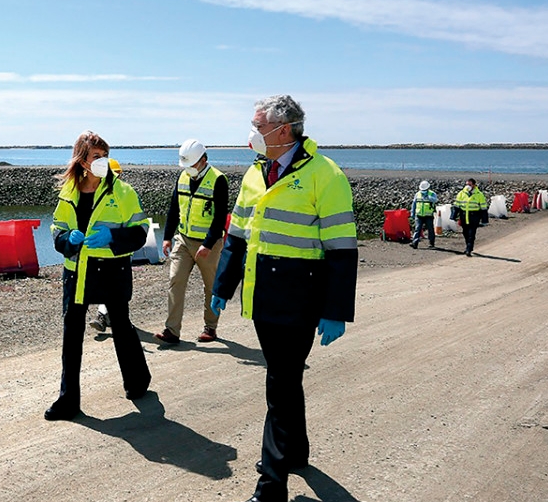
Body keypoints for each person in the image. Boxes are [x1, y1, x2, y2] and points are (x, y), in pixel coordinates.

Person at [209, 95, 358, 502]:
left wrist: (335, 310)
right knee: (286, 377)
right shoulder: (255, 173)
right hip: (262, 296)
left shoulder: (324, 174)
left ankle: (271, 485)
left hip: (300, 298)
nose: (252, 134)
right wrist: (222, 287)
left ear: (284, 129)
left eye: (259, 127)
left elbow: (342, 249)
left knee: (280, 383)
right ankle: (296, 451)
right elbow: (237, 236)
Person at [46, 133, 152, 421]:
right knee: (72, 334)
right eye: (96, 156)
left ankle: (138, 380)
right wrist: (67, 239)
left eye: (105, 155)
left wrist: (113, 237)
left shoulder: (124, 192)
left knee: (121, 327)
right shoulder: (68, 191)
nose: (102, 161)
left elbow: (141, 232)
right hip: (77, 272)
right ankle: (68, 400)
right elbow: (56, 230)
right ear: (82, 160)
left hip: (112, 272)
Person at [153, 138, 230, 344]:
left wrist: (208, 244)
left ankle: (210, 327)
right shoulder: (183, 177)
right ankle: (172, 331)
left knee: (211, 287)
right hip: (184, 240)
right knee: (175, 281)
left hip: (209, 244)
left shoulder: (218, 180)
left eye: (192, 164)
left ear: (203, 160)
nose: (188, 168)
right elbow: (174, 209)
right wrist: (167, 237)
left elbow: (220, 217)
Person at [89, 158, 125, 333]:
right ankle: (105, 316)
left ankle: (106, 316)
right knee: (109, 287)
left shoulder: (124, 194)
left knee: (113, 288)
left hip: (118, 251)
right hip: (101, 251)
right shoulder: (96, 194)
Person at [453, 178, 488, 257]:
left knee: (471, 233)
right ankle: (468, 246)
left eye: (470, 184)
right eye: (467, 184)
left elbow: (483, 207)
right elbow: (457, 205)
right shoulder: (461, 193)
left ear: (474, 185)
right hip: (464, 215)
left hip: (474, 216)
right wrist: (453, 216)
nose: (468, 186)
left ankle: (469, 249)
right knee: (465, 232)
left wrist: (484, 219)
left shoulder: (479, 194)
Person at [409, 180, 438, 249]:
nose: (423, 191)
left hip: (428, 215)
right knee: (417, 229)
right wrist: (412, 213)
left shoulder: (432, 194)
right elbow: (414, 204)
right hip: (419, 215)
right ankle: (414, 243)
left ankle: (431, 244)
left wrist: (428, 197)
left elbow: (435, 200)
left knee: (430, 230)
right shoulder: (417, 194)